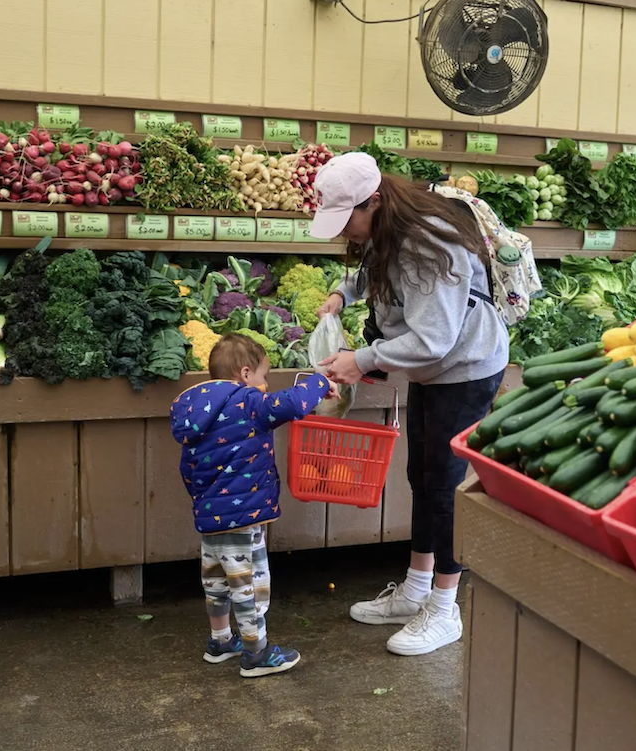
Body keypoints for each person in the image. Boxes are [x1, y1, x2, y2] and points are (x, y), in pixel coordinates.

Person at [311, 152, 509, 657]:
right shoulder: (389, 228)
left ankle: (445, 607)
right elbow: (375, 275)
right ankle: (416, 588)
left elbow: (434, 339)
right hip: (433, 370)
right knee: (422, 476)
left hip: (464, 368)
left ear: (374, 201)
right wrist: (342, 294)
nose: (345, 233)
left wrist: (362, 360)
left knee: (443, 486)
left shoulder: (427, 243)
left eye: (347, 220)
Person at [170, 332, 338, 678]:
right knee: (249, 585)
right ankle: (256, 652)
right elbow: (291, 403)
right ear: (245, 374)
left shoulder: (195, 412)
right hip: (243, 517)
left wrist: (203, 503)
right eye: (263, 376)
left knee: (216, 582)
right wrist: (320, 382)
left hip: (210, 517)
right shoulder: (247, 401)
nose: (265, 385)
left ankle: (220, 641)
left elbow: (187, 469)